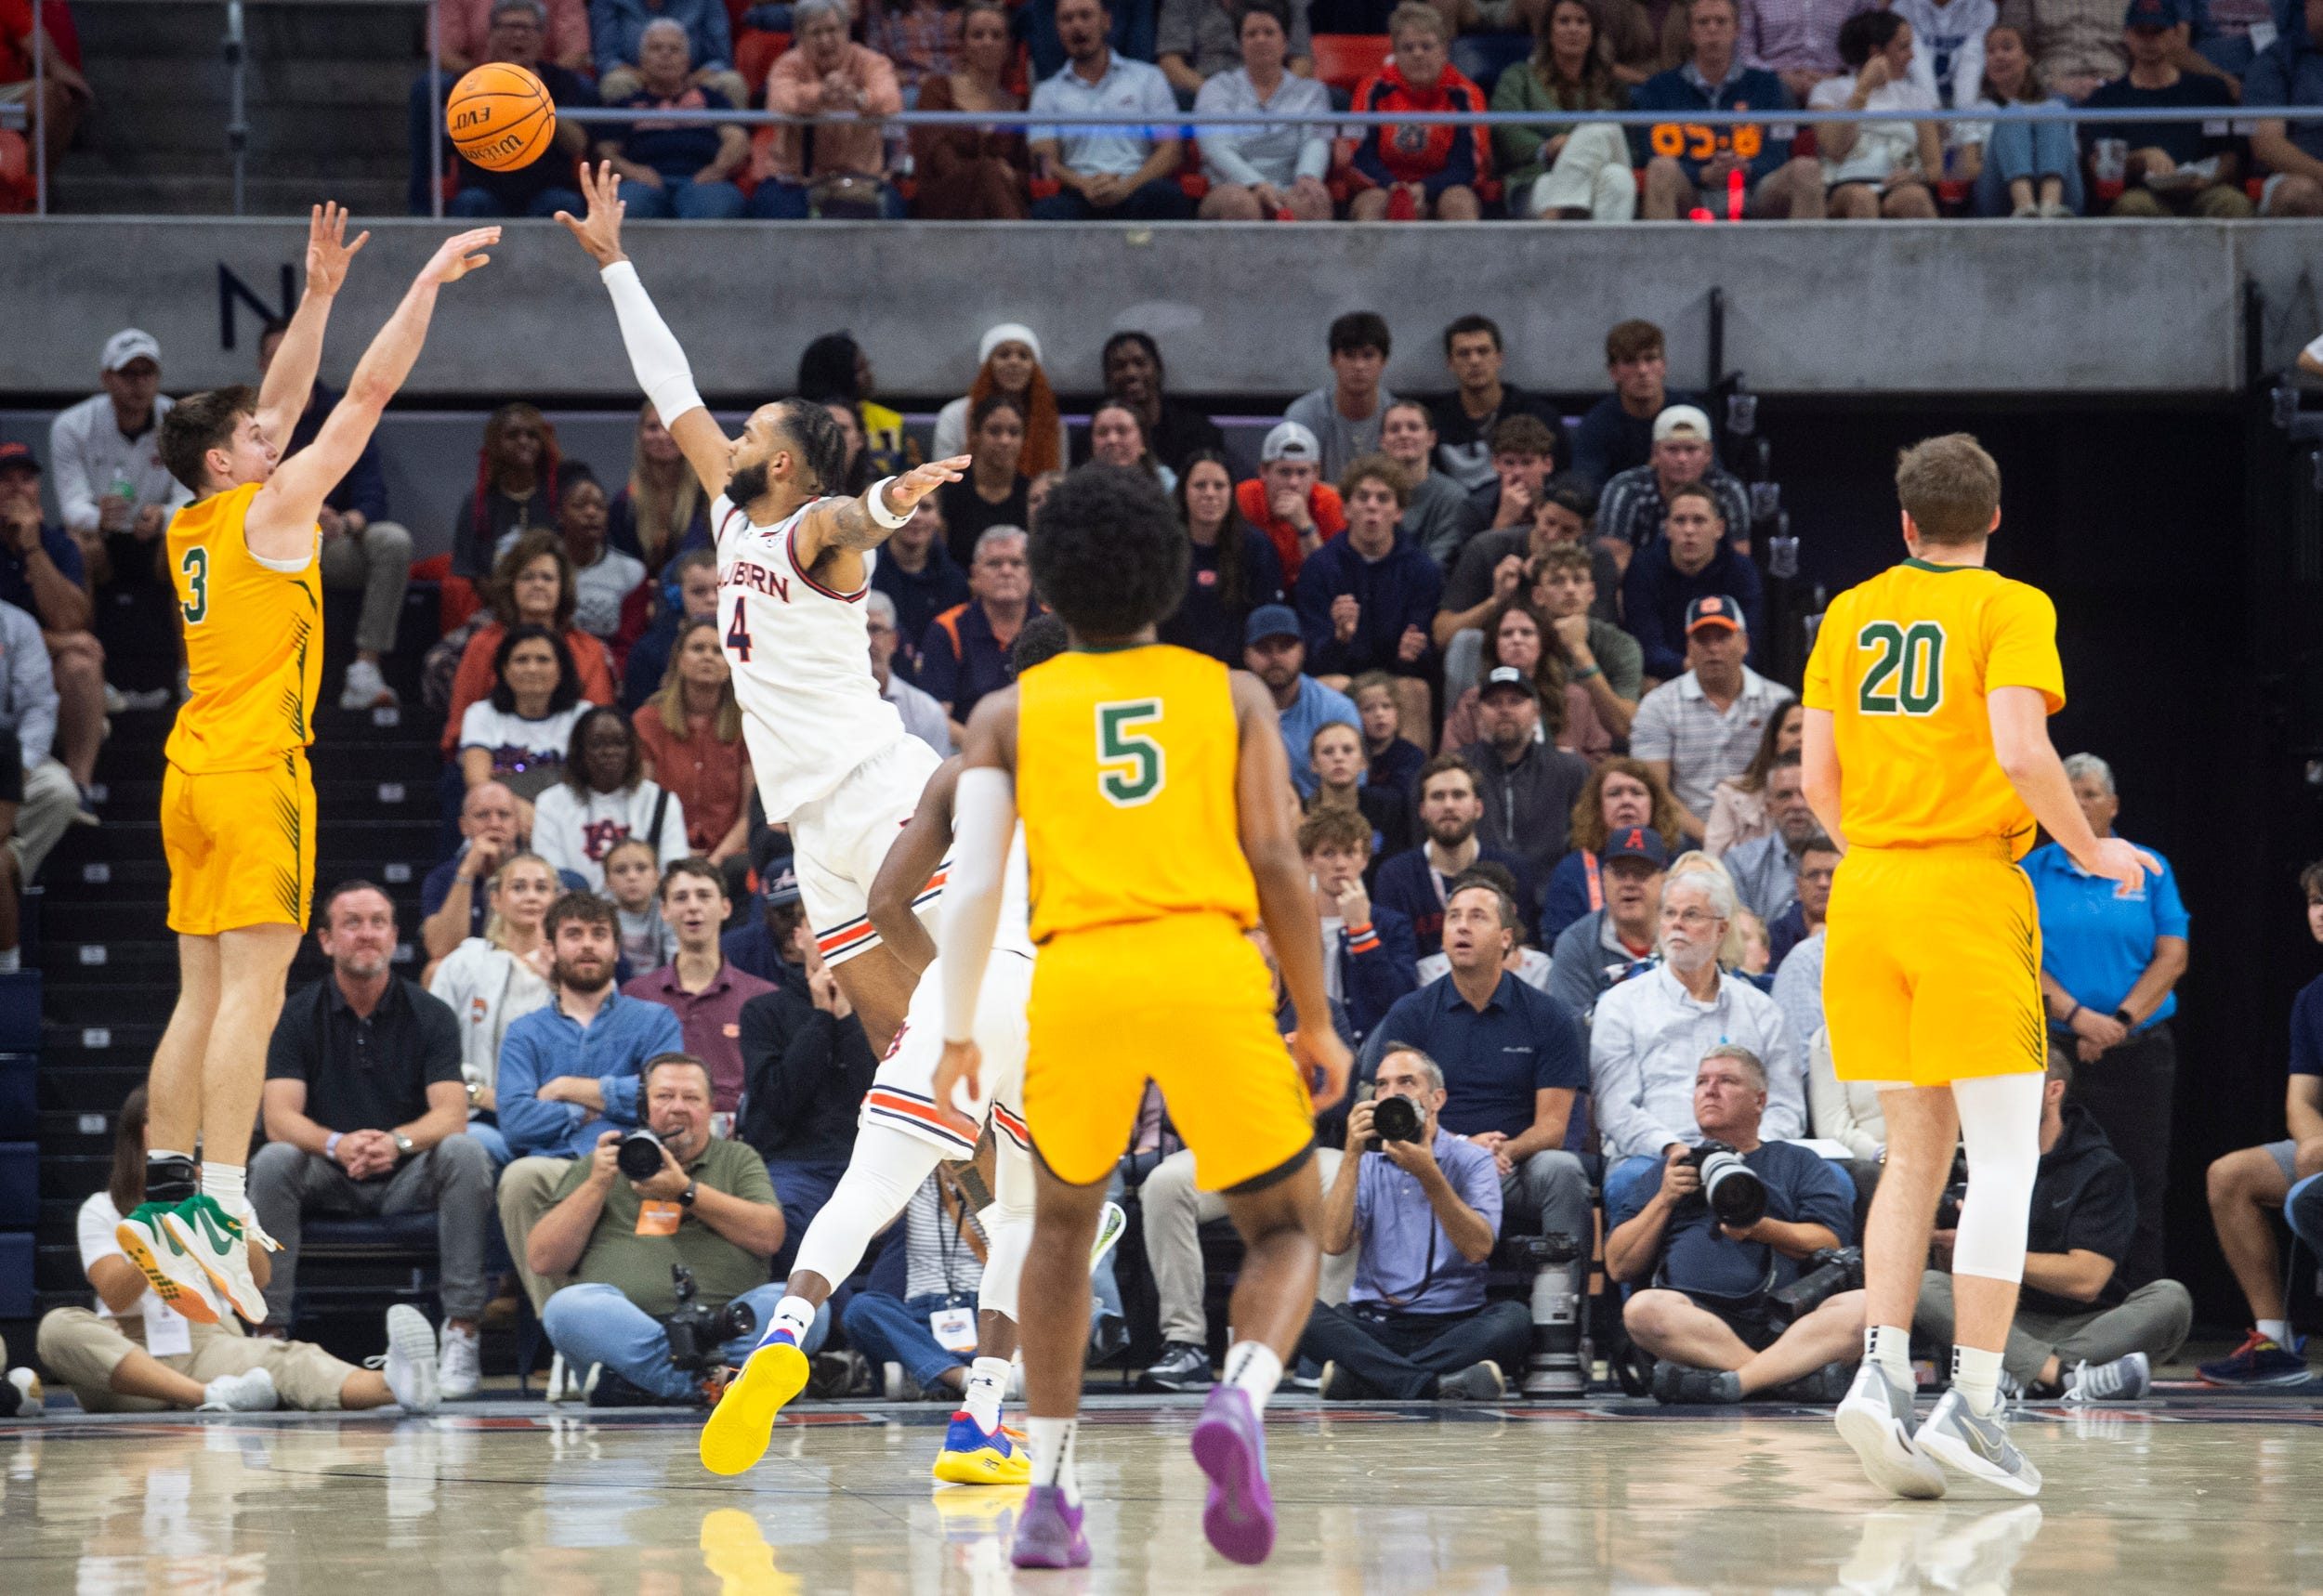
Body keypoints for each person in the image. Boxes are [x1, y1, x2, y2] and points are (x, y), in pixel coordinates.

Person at [934, 465, 1352, 1570]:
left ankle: (1049, 1493)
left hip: (1076, 974)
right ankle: (1242, 1397)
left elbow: (974, 886)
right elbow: (1275, 859)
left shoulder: (1005, 711)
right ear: (1170, 570)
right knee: (1286, 1225)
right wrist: (1314, 1017)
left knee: (1060, 1228)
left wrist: (959, 1028)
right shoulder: (1234, 694)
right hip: (1206, 964)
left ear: (1056, 585)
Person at [112, 214, 495, 1333]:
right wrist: (419, 283)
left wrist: (320, 295)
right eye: (255, 436)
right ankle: (225, 1197)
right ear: (229, 460)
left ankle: (170, 1190)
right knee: (256, 994)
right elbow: (362, 399)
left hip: (189, 769)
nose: (275, 438)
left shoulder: (195, 519)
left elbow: (273, 406)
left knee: (198, 991)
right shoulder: (275, 511)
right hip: (255, 769)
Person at [1806, 433, 2158, 1500]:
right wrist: (2093, 851)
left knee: (1914, 1151)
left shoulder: (1848, 609)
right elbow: (2016, 748)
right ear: (1993, 519)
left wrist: (1878, 842)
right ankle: (1970, 1400)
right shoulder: (2011, 607)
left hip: (1865, 891)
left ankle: (1876, 1375)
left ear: (1904, 523)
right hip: (1965, 888)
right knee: (2003, 1159)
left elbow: (1815, 776)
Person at [560, 161, 971, 1051]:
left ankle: (1059, 1184)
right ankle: (982, 1195)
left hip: (875, 789)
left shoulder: (811, 531)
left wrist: (895, 498)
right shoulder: (731, 512)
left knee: (971, 1017)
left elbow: (852, 517)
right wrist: (614, 266)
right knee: (894, 1042)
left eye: (750, 434)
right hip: (809, 822)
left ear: (783, 463)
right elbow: (673, 392)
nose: (731, 438)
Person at [702, 622, 1068, 1483]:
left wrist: (951, 990)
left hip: (962, 980)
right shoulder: (1108, 775)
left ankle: (786, 1332)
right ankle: (980, 1420)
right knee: (1017, 1220)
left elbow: (884, 904)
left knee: (868, 1186)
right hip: (1052, 1001)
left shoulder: (959, 768)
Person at [40, 1087, 441, 1416]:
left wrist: (219, 1213)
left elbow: (260, 1279)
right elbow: (115, 1295)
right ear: (142, 1133)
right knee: (58, 1327)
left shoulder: (222, 1200)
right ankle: (208, 1396)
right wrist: (162, 1225)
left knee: (290, 1359)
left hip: (209, 1340)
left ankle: (398, 1384)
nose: (191, 1131)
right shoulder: (101, 1207)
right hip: (129, 1356)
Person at [250, 883, 492, 1395]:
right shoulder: (296, 1013)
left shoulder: (430, 1014)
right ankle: (267, 1337)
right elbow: (279, 1117)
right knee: (273, 1160)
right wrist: (337, 1144)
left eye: (378, 922)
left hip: (407, 1177)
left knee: (465, 1152)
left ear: (394, 936)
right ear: (326, 940)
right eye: (352, 923)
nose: (367, 934)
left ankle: (462, 1333)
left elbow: (452, 1114)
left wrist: (395, 1144)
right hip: (325, 1177)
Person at [1915, 1047, 2192, 1403]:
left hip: (2088, 1324)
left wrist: (1984, 1249)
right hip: (2005, 1316)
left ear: (2053, 1091)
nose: (2001, 1100)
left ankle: (2022, 1372)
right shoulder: (1979, 1156)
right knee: (1927, 1287)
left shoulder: (2099, 1169)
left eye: (2013, 1087)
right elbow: (1956, 1282)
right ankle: (2063, 1378)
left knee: (2171, 1300)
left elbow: (2086, 1280)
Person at [1608, 1046, 1865, 1404]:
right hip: (1695, 1324)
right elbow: (1619, 1265)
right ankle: (1784, 1378)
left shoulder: (1797, 1161)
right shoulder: (1670, 1171)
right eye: (1701, 1082)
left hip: (1787, 1320)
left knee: (1865, 1307)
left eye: (1726, 1081)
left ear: (1760, 1100)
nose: (1709, 1091)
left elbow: (1829, 1242)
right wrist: (1664, 1199)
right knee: (1642, 1309)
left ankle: (1735, 1382)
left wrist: (1757, 1228)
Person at [532, 1052, 793, 1404]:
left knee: (794, 1305)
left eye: (691, 1098)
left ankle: (640, 1384)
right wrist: (596, 1184)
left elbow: (769, 1237)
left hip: (725, 1328)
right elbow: (545, 1260)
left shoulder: (737, 1158)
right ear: (644, 1106)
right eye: (665, 1096)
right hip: (631, 1331)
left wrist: (685, 1191)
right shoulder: (605, 1163)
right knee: (568, 1307)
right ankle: (727, 1385)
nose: (678, 1107)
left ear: (711, 1106)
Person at [2025, 751, 2188, 1289]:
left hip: (2137, 1050)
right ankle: (2057, 1305)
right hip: (2052, 1047)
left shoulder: (2148, 867)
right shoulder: (2029, 871)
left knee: (2142, 1178)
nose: (2077, 803)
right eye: (2066, 794)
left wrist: (2118, 1021)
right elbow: (2018, 952)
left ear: (2113, 804)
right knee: (2046, 1173)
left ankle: (2141, 1308)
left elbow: (2173, 954)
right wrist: (2077, 1016)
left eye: (2089, 794)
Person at [1300, 1046, 1531, 1400]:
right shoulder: (1365, 1161)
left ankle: (1370, 1378)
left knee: (1513, 1320)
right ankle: (1433, 1384)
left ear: (1436, 1099)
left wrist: (1430, 1174)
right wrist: (1350, 1154)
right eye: (1381, 1085)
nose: (1391, 1094)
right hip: (1375, 1323)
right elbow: (1333, 1243)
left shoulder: (1472, 1160)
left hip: (1454, 1323)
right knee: (1300, 1313)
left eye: (1406, 1082)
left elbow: (1478, 1248)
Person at [494, 890, 687, 1314]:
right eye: (574, 934)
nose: (587, 944)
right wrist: (592, 1107)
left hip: (632, 1163)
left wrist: (566, 1087)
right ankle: (569, 1332)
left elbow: (664, 1105)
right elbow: (516, 1121)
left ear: (616, 948)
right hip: (555, 1166)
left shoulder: (654, 1019)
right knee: (520, 1178)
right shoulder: (525, 1032)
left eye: (599, 934)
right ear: (550, 948)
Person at [1591, 863, 1802, 1186]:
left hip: (1750, 1158)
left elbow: (1786, 1107)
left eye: (1691, 915)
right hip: (1655, 1159)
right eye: (1669, 914)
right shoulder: (1621, 1004)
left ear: (1721, 929)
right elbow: (1616, 1110)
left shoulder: (1763, 1011)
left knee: (1837, 1181)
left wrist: (1751, 1153)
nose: (1676, 924)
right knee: (1626, 1184)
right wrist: (1676, 1150)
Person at [2199, 861, 2323, 1384]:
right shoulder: (2312, 997)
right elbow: (2301, 1097)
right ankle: (2273, 1340)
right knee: (2230, 1175)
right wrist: (2312, 1138)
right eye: (2316, 902)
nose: (2322, 912)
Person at [252, 318, 413, 712]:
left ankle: (364, 672)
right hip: (269, 548)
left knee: (392, 540)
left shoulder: (341, 413)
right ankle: (261, 680)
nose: (288, 364)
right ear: (263, 366)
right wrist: (292, 516)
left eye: (296, 354)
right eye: (277, 357)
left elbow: (373, 494)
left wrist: (345, 522)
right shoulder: (247, 421)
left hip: (331, 543)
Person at [48, 329, 190, 705]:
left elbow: (191, 498)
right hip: (104, 542)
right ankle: (94, 676)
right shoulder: (72, 425)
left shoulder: (179, 422)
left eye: (147, 373)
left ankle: (191, 676)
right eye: (128, 374)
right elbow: (71, 505)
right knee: (77, 545)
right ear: (106, 378)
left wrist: (164, 515)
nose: (139, 384)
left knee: (192, 543)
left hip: (156, 539)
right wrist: (99, 518)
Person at [1634, 0, 1827, 219]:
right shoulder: (1659, 88)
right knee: (1661, 169)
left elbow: (1779, 152)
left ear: (1737, 30)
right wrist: (1702, 174)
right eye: (1703, 22)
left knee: (1806, 169)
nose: (1712, 29)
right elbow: (1650, 152)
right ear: (1690, 32)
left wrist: (1747, 168)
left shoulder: (1769, 85)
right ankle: (1660, 255)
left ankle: (1810, 255)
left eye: (1721, 21)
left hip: (1755, 190)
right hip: (1692, 191)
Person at [426, 851, 557, 1165]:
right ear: (496, 899)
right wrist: (476, 1093)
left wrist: (560, 983)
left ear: (556, 899)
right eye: (519, 887)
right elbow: (431, 1049)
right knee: (471, 1146)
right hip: (479, 1114)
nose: (531, 897)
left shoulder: (573, 967)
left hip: (552, 1119)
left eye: (541, 888)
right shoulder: (464, 962)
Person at [440, 530, 620, 757]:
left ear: (562, 587)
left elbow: (600, 730)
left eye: (547, 578)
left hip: (572, 770)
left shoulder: (589, 650)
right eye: (527, 577)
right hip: (491, 767)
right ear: (511, 585)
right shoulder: (483, 644)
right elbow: (459, 729)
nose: (537, 585)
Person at [1294, 455, 1441, 731]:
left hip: (1396, 678)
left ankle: (1412, 774)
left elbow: (1426, 658)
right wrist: (1340, 639)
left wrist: (1411, 656)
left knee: (1415, 690)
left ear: (1399, 513)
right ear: (1347, 509)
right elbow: (1312, 661)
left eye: (1383, 499)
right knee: (1332, 685)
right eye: (1363, 497)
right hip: (1343, 676)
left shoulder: (1421, 569)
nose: (1372, 506)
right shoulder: (1320, 567)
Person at [1630, 595, 1793, 838]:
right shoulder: (1658, 705)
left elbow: (1795, 776)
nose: (1713, 648)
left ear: (1744, 643)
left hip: (1766, 829)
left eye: (1723, 637)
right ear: (1689, 648)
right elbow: (1655, 791)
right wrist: (1713, 839)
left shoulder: (1779, 702)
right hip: (1688, 834)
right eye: (1702, 639)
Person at [622, 858, 776, 1114]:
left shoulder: (762, 997)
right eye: (681, 898)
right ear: (664, 910)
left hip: (739, 1136)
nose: (693, 906)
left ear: (726, 907)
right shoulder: (635, 995)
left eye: (704, 896)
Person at [0, 440, 104, 811]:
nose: (16, 488)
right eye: (5, 480)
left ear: (38, 490)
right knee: (75, 649)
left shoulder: (58, 545)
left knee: (82, 664)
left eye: (26, 479)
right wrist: (60, 641)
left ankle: (79, 788)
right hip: (8, 664)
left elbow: (74, 620)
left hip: (47, 671)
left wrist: (32, 549)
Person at [424, 0, 594, 219]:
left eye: (528, 28)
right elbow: (451, 142)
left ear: (542, 38)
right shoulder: (468, 82)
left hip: (545, 188)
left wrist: (540, 98)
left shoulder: (562, 80)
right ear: (491, 35)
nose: (519, 35)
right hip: (485, 187)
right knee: (470, 202)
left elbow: (578, 144)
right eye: (510, 27)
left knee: (564, 203)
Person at [2079, 0, 2249, 216]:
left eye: (2158, 31)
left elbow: (2231, 153)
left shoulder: (2210, 91)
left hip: (2202, 190)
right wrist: (2141, 158)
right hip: (2142, 193)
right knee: (2133, 205)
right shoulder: (2105, 99)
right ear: (2126, 35)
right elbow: (2097, 165)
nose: (2149, 41)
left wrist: (2207, 179)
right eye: (2141, 32)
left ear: (2176, 34)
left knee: (2232, 202)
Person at [1028, 0, 1193, 220]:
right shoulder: (1046, 93)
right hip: (1079, 192)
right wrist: (1085, 185)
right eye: (1067, 19)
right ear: (1058, 29)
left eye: (1085, 16)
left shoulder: (1148, 77)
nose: (1077, 26)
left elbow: (1172, 150)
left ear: (1106, 21)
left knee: (1166, 197)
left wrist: (1126, 186)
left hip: (1138, 186)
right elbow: (1045, 161)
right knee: (1047, 212)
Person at [751, 0, 907, 220]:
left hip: (861, 180)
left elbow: (892, 100)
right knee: (771, 209)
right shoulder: (787, 64)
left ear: (846, 30)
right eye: (816, 33)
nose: (825, 40)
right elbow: (779, 103)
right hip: (796, 182)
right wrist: (821, 95)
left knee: (893, 210)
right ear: (800, 37)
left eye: (832, 30)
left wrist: (858, 98)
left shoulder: (871, 62)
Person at [1374, 753, 1535, 955]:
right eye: (1438, 796)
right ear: (1422, 810)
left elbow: (1522, 951)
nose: (1448, 805)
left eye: (1458, 795)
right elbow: (1393, 958)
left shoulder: (1513, 871)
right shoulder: (1395, 877)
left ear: (1478, 807)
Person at [1495, 0, 1639, 220]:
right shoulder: (1519, 77)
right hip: (1538, 178)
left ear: (1593, 35)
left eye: (1582, 22)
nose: (1573, 29)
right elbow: (1504, 131)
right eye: (1564, 21)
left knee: (1602, 124)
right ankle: (1608, 255)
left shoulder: (1613, 86)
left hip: (1592, 176)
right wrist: (1546, 149)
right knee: (1618, 179)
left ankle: (1557, 215)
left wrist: (1571, 145)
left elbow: (1632, 146)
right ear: (1549, 32)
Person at [1347, 5, 1490, 223]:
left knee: (1459, 202)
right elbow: (1360, 157)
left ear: (1444, 51)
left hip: (1444, 188)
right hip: (1384, 187)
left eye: (1426, 46)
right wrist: (1394, 188)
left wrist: (1425, 188)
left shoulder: (1466, 94)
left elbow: (1468, 165)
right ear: (1395, 54)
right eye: (1407, 48)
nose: (1417, 54)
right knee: (1372, 203)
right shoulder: (1372, 89)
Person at [595, 20, 750, 220]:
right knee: (624, 203)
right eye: (656, 48)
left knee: (714, 205)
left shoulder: (711, 98)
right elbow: (605, 152)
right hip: (642, 183)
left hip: (703, 181)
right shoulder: (625, 104)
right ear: (641, 60)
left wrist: (717, 170)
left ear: (687, 62)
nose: (665, 54)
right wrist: (633, 172)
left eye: (674, 49)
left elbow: (737, 139)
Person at [1194, 0, 1334, 220]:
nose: (1260, 39)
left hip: (1291, 184)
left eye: (1269, 32)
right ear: (1240, 44)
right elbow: (1217, 148)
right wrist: (1256, 184)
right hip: (1231, 185)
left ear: (1285, 42)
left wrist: (1307, 178)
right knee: (1240, 203)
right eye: (1251, 34)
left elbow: (1315, 142)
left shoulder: (1311, 91)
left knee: (1313, 199)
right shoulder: (1217, 87)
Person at [1460, 666, 1593, 896]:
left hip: (1552, 901)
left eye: (1515, 701)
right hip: (1477, 897)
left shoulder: (1570, 770)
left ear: (1536, 712)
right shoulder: (1457, 770)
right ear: (1479, 715)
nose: (1505, 710)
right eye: (1494, 702)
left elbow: (1588, 845)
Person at [530, 706, 689, 891]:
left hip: (646, 912)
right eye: (597, 744)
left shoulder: (660, 801)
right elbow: (552, 877)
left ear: (633, 750)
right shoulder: (551, 803)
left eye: (619, 743)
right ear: (579, 751)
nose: (609, 752)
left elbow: (673, 874)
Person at [633, 615, 753, 860]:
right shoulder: (647, 720)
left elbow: (749, 815)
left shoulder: (747, 723)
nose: (708, 656)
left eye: (719, 651)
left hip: (730, 857)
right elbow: (640, 805)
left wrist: (716, 860)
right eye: (698, 649)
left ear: (732, 663)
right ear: (679, 659)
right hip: (662, 852)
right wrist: (675, 854)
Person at [1438, 595, 1611, 763]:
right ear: (1494, 644)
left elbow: (1601, 758)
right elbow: (1450, 762)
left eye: (1526, 632)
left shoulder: (1575, 699)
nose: (1517, 640)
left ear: (1543, 642)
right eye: (1507, 634)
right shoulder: (1472, 702)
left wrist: (1569, 765)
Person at [1300, 805, 1420, 1044]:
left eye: (1349, 853)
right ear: (1308, 860)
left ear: (1365, 859)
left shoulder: (1392, 925)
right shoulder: (1293, 926)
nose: (1340, 864)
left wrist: (1362, 931)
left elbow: (1400, 1002)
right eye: (1328, 853)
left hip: (1368, 1053)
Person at [1811, 10, 1945, 218]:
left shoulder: (1917, 97)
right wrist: (1863, 89)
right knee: (1862, 199)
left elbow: (1934, 166)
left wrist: (1916, 176)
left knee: (1915, 198)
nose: (1912, 55)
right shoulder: (1828, 90)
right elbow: (1835, 149)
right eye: (1903, 47)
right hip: (1844, 184)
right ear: (1876, 53)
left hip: (1900, 184)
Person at [1162, 451, 1287, 665]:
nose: (1210, 494)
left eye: (1219, 486)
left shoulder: (1257, 547)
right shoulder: (1164, 547)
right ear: (1183, 492)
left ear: (1231, 492)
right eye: (1200, 486)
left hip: (1238, 673)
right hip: (1174, 670)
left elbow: (1267, 620)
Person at [912, 0, 1031, 219]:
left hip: (1002, 200)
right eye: (977, 35)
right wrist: (988, 173)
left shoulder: (1020, 105)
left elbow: (1029, 172)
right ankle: (1022, 251)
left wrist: (1012, 175)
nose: (987, 42)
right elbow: (937, 158)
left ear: (1008, 46)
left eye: (996, 36)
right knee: (987, 173)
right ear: (963, 44)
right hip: (945, 202)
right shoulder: (937, 90)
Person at [922, 526, 1042, 743]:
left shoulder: (1055, 627)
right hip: (968, 752)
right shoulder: (947, 629)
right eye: (994, 564)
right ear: (975, 575)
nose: (1006, 571)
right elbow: (936, 717)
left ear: (1032, 572)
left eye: (1016, 563)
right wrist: (990, 750)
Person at [1542, 756, 1683, 939]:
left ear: (1654, 804)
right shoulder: (1572, 871)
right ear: (1597, 807)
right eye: (1614, 793)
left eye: (1636, 792)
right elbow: (1559, 943)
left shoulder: (1678, 866)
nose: (1626, 801)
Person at [457, 624, 591, 815]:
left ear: (561, 668)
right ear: (504, 669)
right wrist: (523, 814)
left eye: (543, 660)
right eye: (521, 660)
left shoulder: (584, 716)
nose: (532, 668)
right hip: (503, 821)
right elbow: (478, 782)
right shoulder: (481, 714)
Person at [1955, 22, 2085, 216]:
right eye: (1991, 51)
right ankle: (2025, 207)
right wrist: (2010, 158)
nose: (1998, 56)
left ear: (2027, 58)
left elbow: (2070, 160)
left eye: (2007, 47)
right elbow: (1970, 169)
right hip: (1999, 197)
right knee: (2013, 113)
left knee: (2048, 110)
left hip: (2063, 195)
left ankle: (2051, 207)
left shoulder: (2057, 107)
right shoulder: (1974, 111)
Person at [1431, 318, 1567, 498]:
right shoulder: (1436, 422)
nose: (1474, 361)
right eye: (1464, 353)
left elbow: (1563, 478)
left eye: (1483, 351)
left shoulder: (1540, 416)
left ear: (1499, 358)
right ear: (1450, 363)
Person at [1597, 405, 1752, 561]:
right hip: (1641, 581)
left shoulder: (1728, 490)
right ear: (1655, 453)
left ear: (1708, 453)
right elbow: (1613, 564)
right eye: (1672, 449)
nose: (1682, 459)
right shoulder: (1626, 489)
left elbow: (1739, 560)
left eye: (1691, 449)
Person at [1547, 821, 1667, 1024]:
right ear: (1604, 878)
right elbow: (1574, 1030)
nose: (1629, 883)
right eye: (1620, 873)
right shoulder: (1576, 944)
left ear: (1664, 880)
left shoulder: (1682, 936)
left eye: (1641, 873)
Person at [1573, 320, 1711, 493]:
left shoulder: (1692, 414)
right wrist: (1648, 477)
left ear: (1663, 366)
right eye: (1630, 361)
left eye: (1650, 359)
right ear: (1614, 372)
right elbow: (1587, 491)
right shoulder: (1597, 424)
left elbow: (1713, 476)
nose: (1642, 371)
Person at [1242, 604, 1361, 802]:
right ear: (1246, 656)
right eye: (1264, 648)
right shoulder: (1227, 708)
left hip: (1323, 820)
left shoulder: (1336, 709)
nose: (1275, 657)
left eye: (1285, 647)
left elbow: (1353, 789)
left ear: (1303, 651)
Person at [1532, 540, 1642, 740]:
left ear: (1591, 592)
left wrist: (1580, 650)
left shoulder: (1621, 645)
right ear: (1538, 596)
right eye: (1557, 581)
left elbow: (1625, 728)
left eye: (1578, 580)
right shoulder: (1521, 639)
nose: (1570, 589)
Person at [931, 323, 1068, 477]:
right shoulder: (954, 415)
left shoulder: (1051, 421)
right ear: (988, 365)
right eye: (1004, 355)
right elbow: (941, 478)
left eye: (1023, 356)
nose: (1014, 362)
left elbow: (1058, 480)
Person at [533, 464, 643, 644]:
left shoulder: (631, 572)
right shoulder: (538, 567)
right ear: (560, 515)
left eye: (600, 507)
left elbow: (629, 643)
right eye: (580, 506)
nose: (591, 513)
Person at [1283, 314, 1400, 482]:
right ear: (1332, 360)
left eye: (1368, 356)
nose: (1359, 366)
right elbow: (1293, 482)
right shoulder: (1304, 415)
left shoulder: (1398, 419)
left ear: (1384, 361)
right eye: (1349, 355)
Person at [450, 403, 559, 580]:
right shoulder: (477, 504)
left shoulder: (562, 498)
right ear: (496, 445)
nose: (523, 441)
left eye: (532, 435)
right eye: (512, 435)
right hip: (495, 602)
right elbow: (472, 573)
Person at [871, 497, 971, 682]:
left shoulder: (955, 581)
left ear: (939, 517)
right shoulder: (866, 571)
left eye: (925, 507)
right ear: (888, 514)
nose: (915, 516)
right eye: (906, 506)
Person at [608, 403, 713, 579]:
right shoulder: (624, 503)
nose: (663, 435)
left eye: (671, 426)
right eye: (653, 427)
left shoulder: (708, 495)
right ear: (640, 434)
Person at [1100, 331, 1226, 475]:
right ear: (1108, 378)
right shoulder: (1096, 441)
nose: (1131, 373)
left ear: (1158, 370)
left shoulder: (1199, 434)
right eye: (1120, 366)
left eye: (1140, 363)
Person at [1238, 421, 1346, 582]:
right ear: (1264, 472)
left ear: (1316, 474)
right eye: (1284, 472)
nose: (1293, 483)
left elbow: (1333, 582)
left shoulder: (1330, 503)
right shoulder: (1243, 498)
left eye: (1302, 473)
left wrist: (1305, 528)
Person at [2244, 0, 2323, 218]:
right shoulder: (2276, 60)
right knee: (2299, 195)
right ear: (2309, 6)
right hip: (2295, 177)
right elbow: (2267, 144)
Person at [936, 396, 1034, 569]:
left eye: (1014, 432)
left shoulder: (1031, 495)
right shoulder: (949, 491)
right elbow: (937, 561)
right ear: (975, 435)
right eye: (995, 431)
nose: (1005, 441)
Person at [1720, 752, 1818, 922]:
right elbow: (1741, 936)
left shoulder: (1847, 858)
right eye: (1785, 795)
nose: (1796, 805)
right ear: (1769, 807)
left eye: (1805, 793)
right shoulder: (1740, 864)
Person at [1380, 400, 1475, 568]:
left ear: (1431, 439)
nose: (1404, 434)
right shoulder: (1369, 495)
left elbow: (1439, 563)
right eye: (1394, 429)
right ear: (1383, 442)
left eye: (1413, 427)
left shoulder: (1453, 497)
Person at [1705, 699, 1804, 857]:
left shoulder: (1848, 794)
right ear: (1775, 740)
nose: (1803, 737)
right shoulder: (1731, 794)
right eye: (1794, 729)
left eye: (1813, 730)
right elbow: (1714, 864)